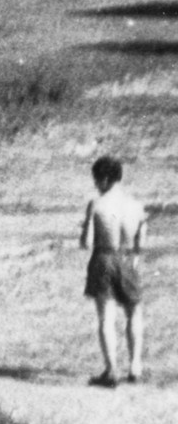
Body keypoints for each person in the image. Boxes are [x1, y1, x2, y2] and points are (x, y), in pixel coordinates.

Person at [80, 156, 147, 388]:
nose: (96, 185)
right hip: (127, 259)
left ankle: (111, 371)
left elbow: (86, 243)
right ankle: (135, 367)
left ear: (105, 179)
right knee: (134, 312)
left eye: (96, 180)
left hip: (103, 258)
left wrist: (86, 228)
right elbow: (140, 244)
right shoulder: (137, 205)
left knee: (106, 317)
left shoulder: (97, 205)